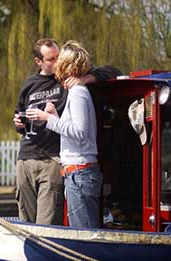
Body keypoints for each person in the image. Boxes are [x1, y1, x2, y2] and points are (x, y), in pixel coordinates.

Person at [13, 38, 121, 225]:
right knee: (26, 222)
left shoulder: (73, 87)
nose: (56, 62)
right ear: (39, 62)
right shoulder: (30, 83)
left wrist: (83, 79)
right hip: (29, 156)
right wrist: (20, 124)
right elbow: (20, 115)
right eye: (51, 59)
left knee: (54, 227)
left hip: (58, 161)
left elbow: (113, 72)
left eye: (59, 58)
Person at [29, 40, 103, 228]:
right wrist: (55, 116)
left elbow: (80, 132)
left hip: (79, 173)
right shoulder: (77, 91)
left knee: (84, 234)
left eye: (59, 60)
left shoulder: (77, 93)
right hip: (78, 173)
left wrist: (48, 118)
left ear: (67, 65)